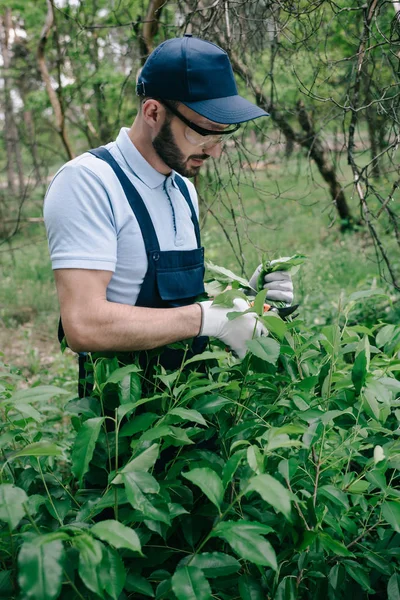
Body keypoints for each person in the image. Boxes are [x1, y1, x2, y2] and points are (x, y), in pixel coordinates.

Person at [44, 35, 293, 395]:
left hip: (191, 409)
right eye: (201, 132)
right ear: (153, 112)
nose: (215, 151)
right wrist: (208, 318)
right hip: (121, 426)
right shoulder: (89, 183)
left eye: (221, 135)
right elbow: (83, 325)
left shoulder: (182, 188)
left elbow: (172, 302)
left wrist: (243, 301)